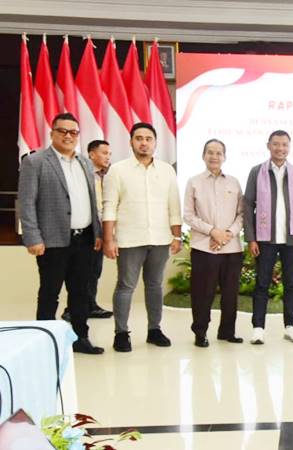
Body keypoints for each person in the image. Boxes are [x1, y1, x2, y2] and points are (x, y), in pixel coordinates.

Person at [18, 113, 104, 354]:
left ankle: (80, 338)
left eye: (73, 132)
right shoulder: (35, 162)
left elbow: (91, 199)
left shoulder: (85, 162)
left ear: (78, 135)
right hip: (52, 241)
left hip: (85, 239)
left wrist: (97, 232)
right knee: (50, 293)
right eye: (62, 131)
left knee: (80, 293)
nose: (68, 136)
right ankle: (43, 343)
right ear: (52, 133)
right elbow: (26, 203)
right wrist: (32, 237)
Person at [102, 122, 182, 352]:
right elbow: (109, 207)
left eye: (148, 138)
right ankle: (121, 333)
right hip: (129, 239)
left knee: (155, 285)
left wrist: (176, 236)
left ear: (155, 142)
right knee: (126, 286)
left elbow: (173, 205)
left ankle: (154, 330)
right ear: (131, 142)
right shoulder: (117, 170)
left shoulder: (167, 170)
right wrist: (109, 239)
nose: (144, 142)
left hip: (160, 238)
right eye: (139, 138)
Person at [243, 130, 293, 345]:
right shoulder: (257, 172)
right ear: (268, 146)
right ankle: (258, 328)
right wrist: (251, 238)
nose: (280, 148)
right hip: (266, 239)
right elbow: (247, 205)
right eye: (276, 144)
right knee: (262, 284)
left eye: (284, 145)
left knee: (291, 284)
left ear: (289, 147)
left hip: (292, 238)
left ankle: (290, 326)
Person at [183, 139, 245, 348]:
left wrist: (228, 233)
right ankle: (200, 332)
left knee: (230, 293)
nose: (214, 156)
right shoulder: (193, 182)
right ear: (203, 155)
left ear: (224, 157)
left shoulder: (234, 182)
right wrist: (213, 232)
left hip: (231, 247)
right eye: (210, 152)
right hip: (203, 247)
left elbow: (242, 214)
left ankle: (227, 332)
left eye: (219, 153)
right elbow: (189, 216)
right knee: (203, 293)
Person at [61, 139, 113, 321]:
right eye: (104, 153)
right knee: (78, 272)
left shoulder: (108, 175)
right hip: (83, 229)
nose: (108, 157)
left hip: (100, 230)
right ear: (91, 154)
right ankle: (72, 308)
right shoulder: (81, 173)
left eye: (110, 154)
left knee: (94, 270)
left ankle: (90, 304)